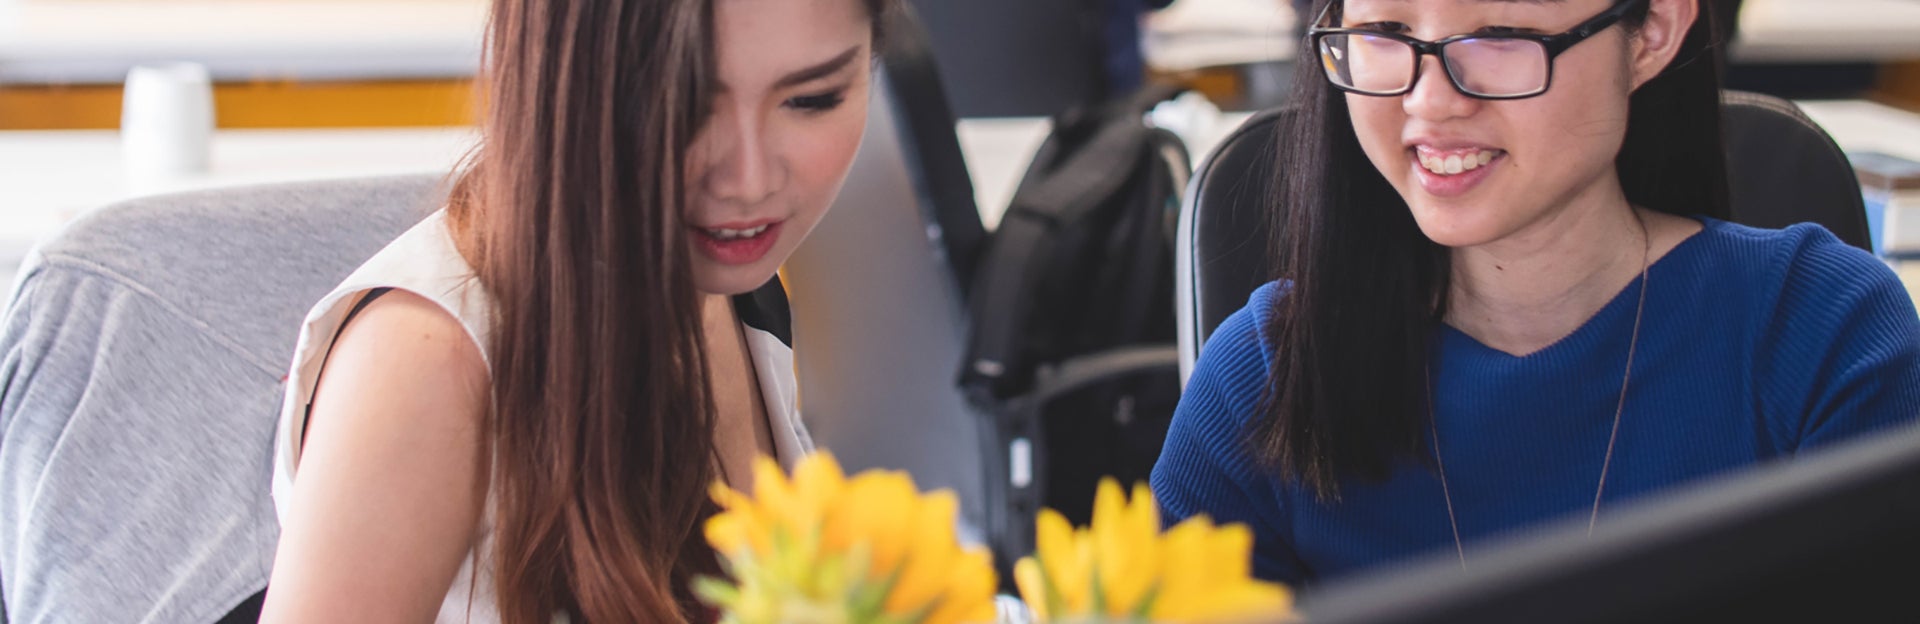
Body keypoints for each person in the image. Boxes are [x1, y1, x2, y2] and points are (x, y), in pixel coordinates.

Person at [1152, 0, 1920, 587]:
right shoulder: (1263, 374)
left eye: (1499, 35)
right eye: (1385, 29)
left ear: (1651, 30)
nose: (1432, 101)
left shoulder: (1823, 332)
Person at [260, 0, 890, 621]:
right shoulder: (424, 362)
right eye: (684, 106)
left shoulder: (732, 283)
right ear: (562, 81)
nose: (749, 181)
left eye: (811, 100)